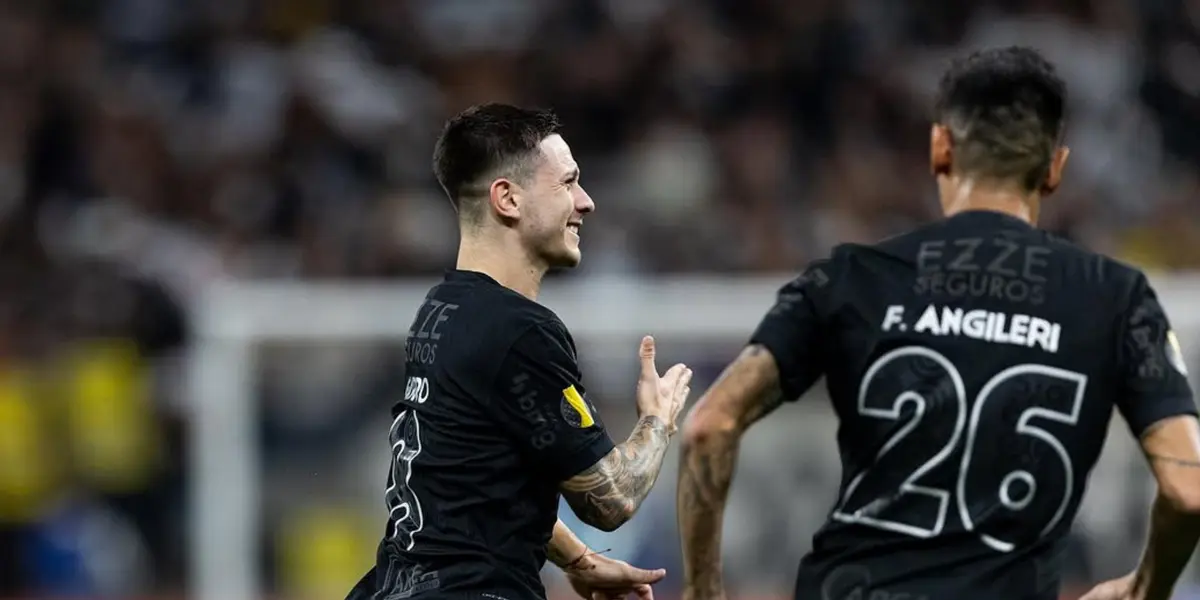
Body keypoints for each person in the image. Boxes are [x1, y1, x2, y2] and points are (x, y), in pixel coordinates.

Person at [676, 46, 1200, 600]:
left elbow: (709, 425)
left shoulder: (853, 276)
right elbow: (1188, 490)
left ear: (940, 147)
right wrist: (1145, 588)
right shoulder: (1115, 297)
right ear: (1054, 169)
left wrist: (701, 592)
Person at [347, 104, 693, 600]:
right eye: (568, 183)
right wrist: (657, 420)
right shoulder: (520, 331)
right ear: (507, 199)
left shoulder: (441, 310)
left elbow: (482, 483)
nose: (586, 202)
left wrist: (579, 559)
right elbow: (611, 498)